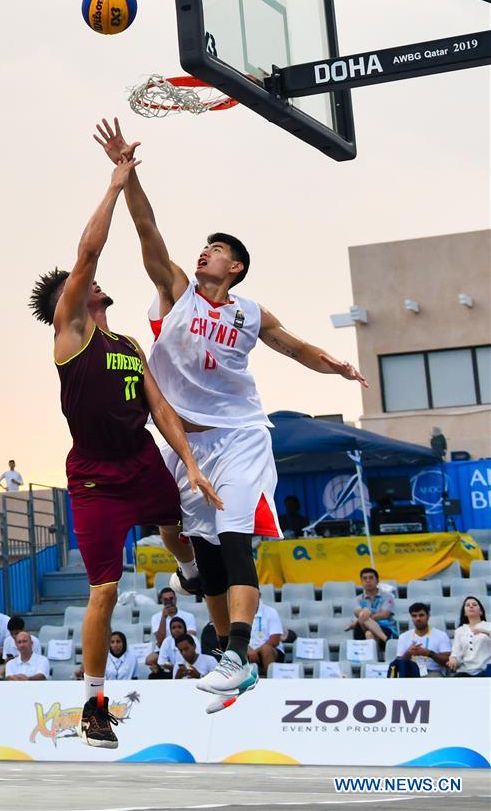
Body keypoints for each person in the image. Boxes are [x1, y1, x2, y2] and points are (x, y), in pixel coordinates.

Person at [94, 117, 368, 703]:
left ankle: (238, 654)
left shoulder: (250, 313)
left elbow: (296, 347)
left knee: (235, 538)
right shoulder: (176, 291)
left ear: (235, 267)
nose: (205, 252)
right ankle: (219, 634)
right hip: (184, 443)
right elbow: (146, 229)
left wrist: (338, 367)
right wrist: (127, 175)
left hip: (240, 436)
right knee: (200, 552)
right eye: (206, 246)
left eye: (216, 250)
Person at [28, 156, 221, 749]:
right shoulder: (71, 335)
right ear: (68, 302)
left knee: (176, 526)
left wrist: (190, 463)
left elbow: (160, 409)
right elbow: (88, 253)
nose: (91, 282)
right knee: (105, 591)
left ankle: (189, 572)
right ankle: (93, 708)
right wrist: (115, 185)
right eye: (80, 284)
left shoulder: (130, 344)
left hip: (141, 460)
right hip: (94, 479)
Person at [395, 602, 451, 677]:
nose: (418, 618)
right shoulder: (403, 636)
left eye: (421, 615)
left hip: (432, 672)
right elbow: (398, 663)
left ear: (428, 616)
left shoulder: (441, 635)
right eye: (414, 616)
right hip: (411, 672)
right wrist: (408, 653)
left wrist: (429, 654)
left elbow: (448, 661)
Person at [350, 567, 398, 646]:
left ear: (377, 581)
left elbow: (385, 614)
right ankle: (386, 640)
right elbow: (355, 620)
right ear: (361, 582)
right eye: (364, 578)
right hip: (362, 630)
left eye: (371, 578)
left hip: (385, 628)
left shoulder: (388, 596)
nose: (368, 580)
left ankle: (381, 644)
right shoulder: (357, 599)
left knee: (369, 633)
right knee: (362, 616)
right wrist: (364, 616)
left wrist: (364, 618)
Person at [447, 596, 491, 677]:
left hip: (486, 669)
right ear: (465, 613)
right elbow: (456, 653)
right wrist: (453, 659)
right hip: (466, 671)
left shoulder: (489, 626)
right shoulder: (459, 631)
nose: (471, 606)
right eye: (467, 605)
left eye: (474, 604)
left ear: (481, 611)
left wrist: (486, 632)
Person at [247, 601, 285, 675]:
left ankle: (270, 679)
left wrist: (255, 651)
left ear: (259, 596)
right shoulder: (239, 613)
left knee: (266, 649)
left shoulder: (271, 612)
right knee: (237, 649)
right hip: (248, 650)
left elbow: (275, 640)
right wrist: (248, 649)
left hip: (271, 650)